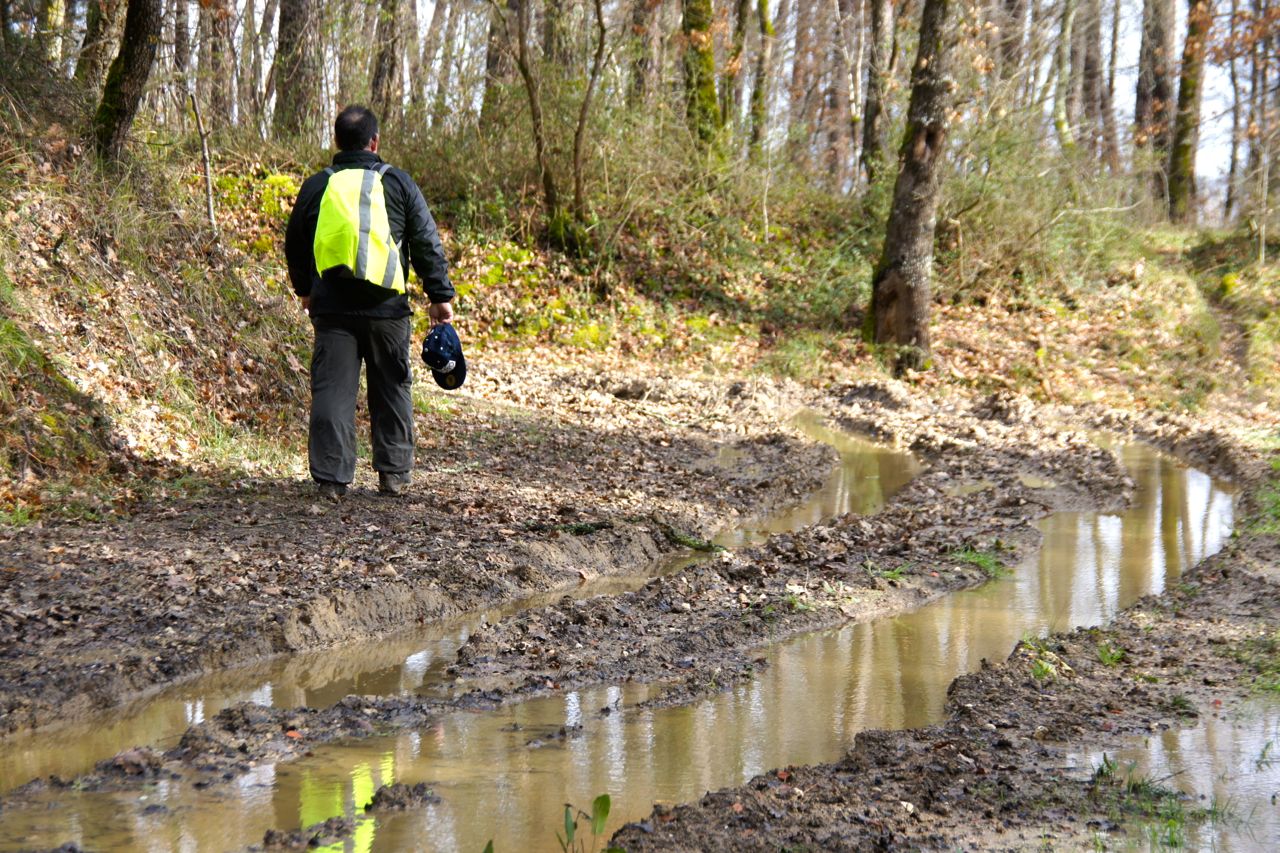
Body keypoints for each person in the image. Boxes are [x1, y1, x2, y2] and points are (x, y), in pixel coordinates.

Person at [285, 105, 454, 500]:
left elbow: (295, 241)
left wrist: (305, 289)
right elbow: (426, 241)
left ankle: (331, 479)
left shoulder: (317, 185)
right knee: (392, 388)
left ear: (337, 141)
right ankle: (394, 475)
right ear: (374, 142)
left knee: (332, 391)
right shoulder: (397, 183)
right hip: (387, 308)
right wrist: (440, 296)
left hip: (332, 308)